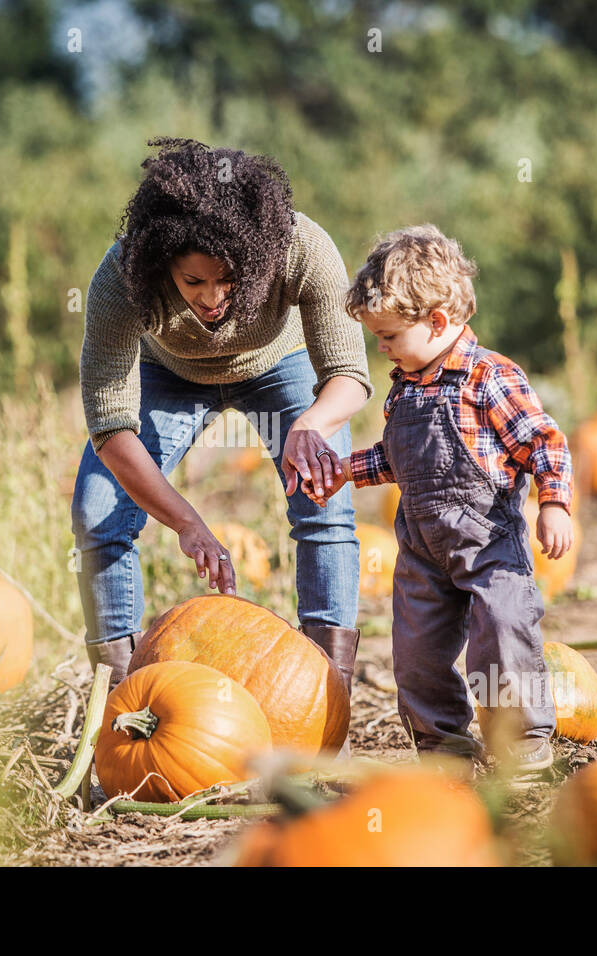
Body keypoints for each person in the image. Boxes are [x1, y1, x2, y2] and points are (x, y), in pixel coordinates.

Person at [72, 138, 371, 693]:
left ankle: (328, 693)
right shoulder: (122, 277)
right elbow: (111, 429)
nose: (212, 298)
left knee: (325, 503)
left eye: (229, 280)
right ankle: (117, 698)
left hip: (279, 364)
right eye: (194, 282)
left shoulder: (301, 247)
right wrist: (187, 522)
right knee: (97, 513)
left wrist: (308, 426)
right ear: (163, 264)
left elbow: (349, 377)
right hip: (169, 372)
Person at [307, 224, 575, 773]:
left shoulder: (489, 378)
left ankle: (521, 748)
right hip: (421, 550)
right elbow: (395, 457)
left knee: (503, 634)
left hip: (488, 545)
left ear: (437, 321)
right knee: (415, 651)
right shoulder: (405, 386)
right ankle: (443, 746)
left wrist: (553, 502)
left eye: (388, 336)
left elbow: (543, 440)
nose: (380, 348)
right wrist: (345, 472)